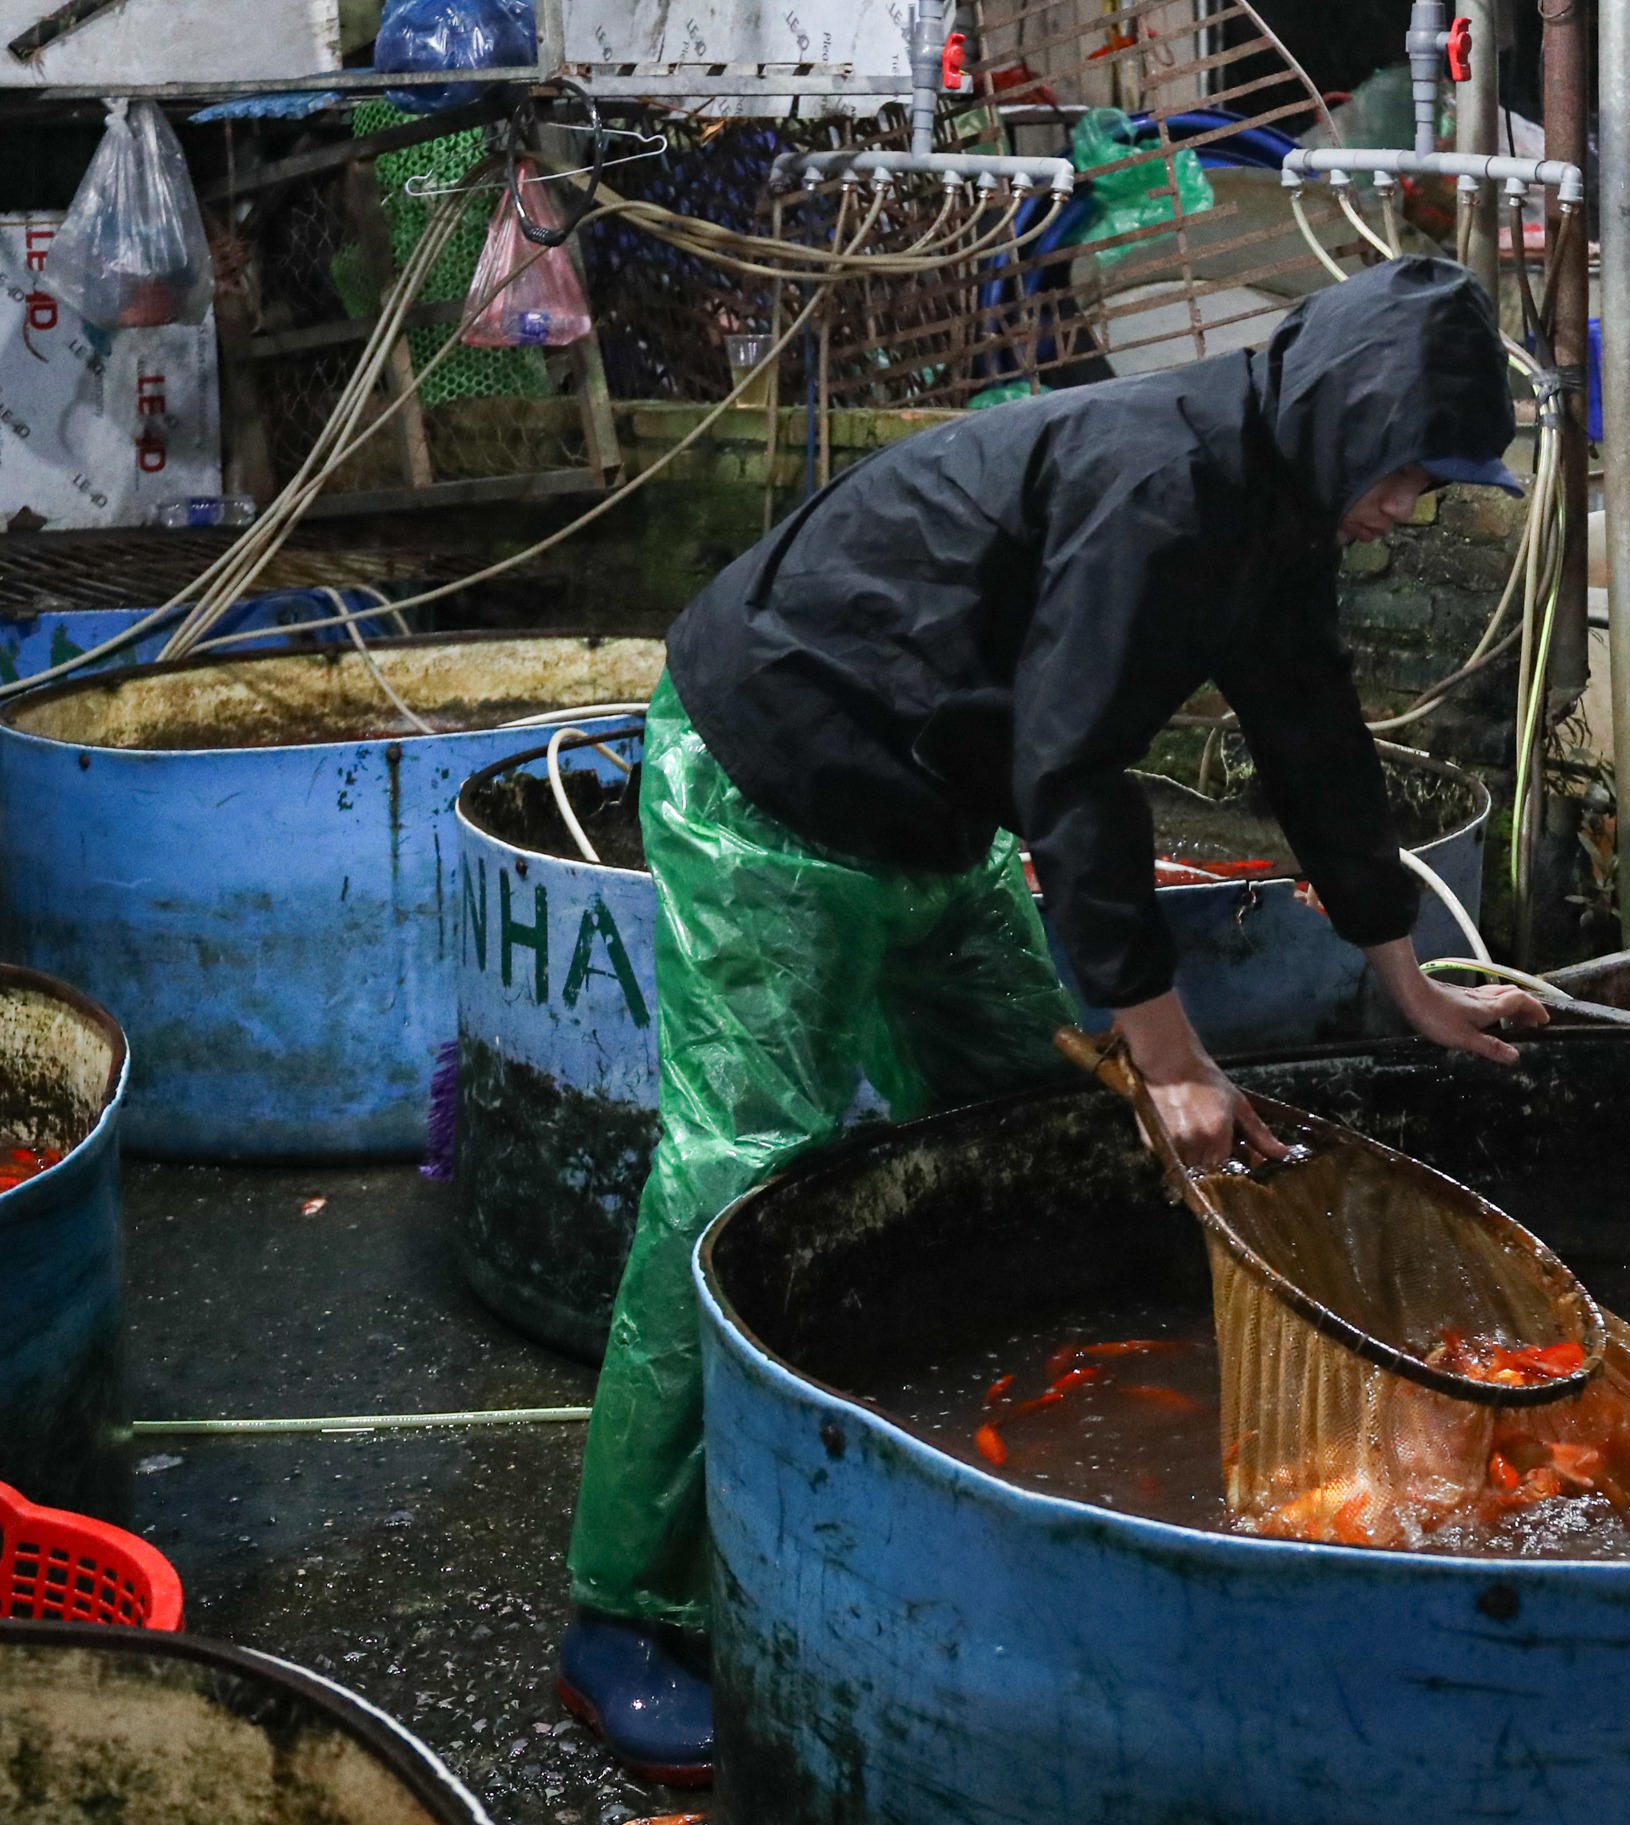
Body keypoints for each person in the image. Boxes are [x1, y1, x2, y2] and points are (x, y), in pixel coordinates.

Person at [552, 256, 1551, 1785]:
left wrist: (1399, 971)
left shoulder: (1278, 495)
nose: (1412, 511)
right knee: (742, 1171)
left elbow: (1309, 727)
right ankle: (626, 1604)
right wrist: (1176, 1053)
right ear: (1354, 420)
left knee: (1019, 1105)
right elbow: (1075, 777)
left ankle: (962, 1472)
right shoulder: (1158, 480)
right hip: (770, 771)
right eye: (1415, 476)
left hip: (926, 802)